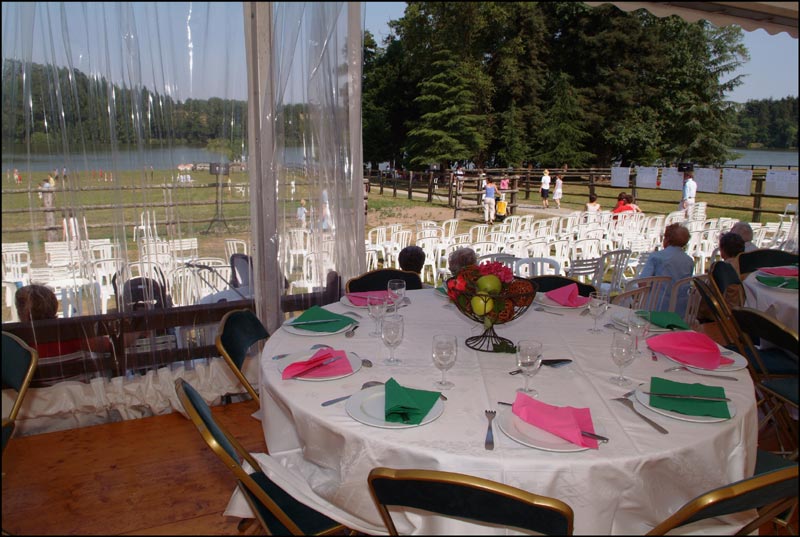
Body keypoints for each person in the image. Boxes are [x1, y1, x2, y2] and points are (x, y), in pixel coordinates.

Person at [14, 285, 113, 387]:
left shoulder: (16, 341)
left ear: (20, 312)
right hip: (78, 393)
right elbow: (111, 345)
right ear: (54, 305)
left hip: (38, 396)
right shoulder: (70, 332)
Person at [639, 223, 694, 313]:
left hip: (655, 309)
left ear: (667, 239)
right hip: (679, 311)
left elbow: (642, 283)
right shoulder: (689, 261)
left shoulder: (656, 257)